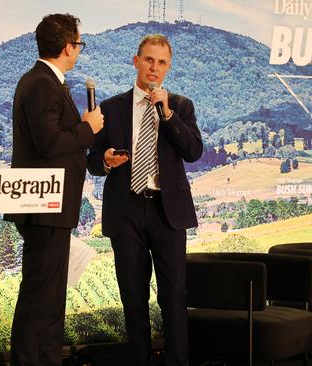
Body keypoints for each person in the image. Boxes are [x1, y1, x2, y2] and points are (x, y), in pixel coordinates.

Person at [87, 34, 202, 366]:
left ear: (168, 67)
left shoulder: (180, 106)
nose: (154, 67)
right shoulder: (109, 108)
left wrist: (166, 114)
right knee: (133, 300)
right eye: (149, 60)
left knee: (174, 298)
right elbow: (91, 160)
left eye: (162, 62)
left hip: (168, 213)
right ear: (135, 61)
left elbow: (193, 152)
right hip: (127, 213)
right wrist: (105, 160)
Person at [3, 13, 104, 366]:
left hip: (50, 208)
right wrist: (88, 128)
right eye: (79, 44)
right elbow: (49, 143)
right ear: (67, 47)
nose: (79, 51)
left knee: (47, 303)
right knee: (39, 303)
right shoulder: (43, 83)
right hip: (44, 207)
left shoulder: (44, 81)